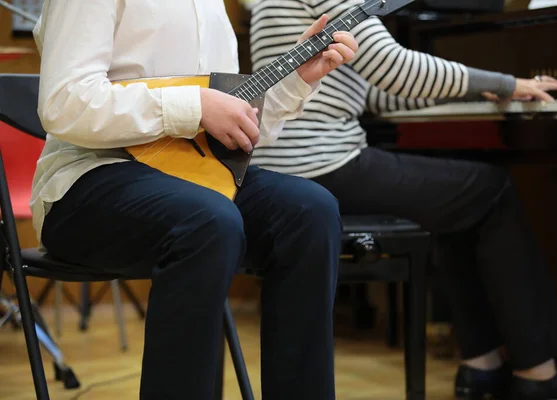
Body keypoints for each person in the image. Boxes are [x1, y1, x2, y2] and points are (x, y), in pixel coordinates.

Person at [249, 0, 557, 398]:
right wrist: (507, 83)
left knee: (457, 200)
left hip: (285, 169)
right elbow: (395, 68)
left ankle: (481, 366)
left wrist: (476, 90)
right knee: (490, 190)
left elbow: (378, 95)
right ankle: (539, 371)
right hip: (324, 164)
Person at [29, 0, 358, 399]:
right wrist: (193, 106)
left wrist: (295, 82)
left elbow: (231, 124)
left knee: (310, 212)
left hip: (198, 178)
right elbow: (64, 103)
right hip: (85, 183)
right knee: (208, 220)